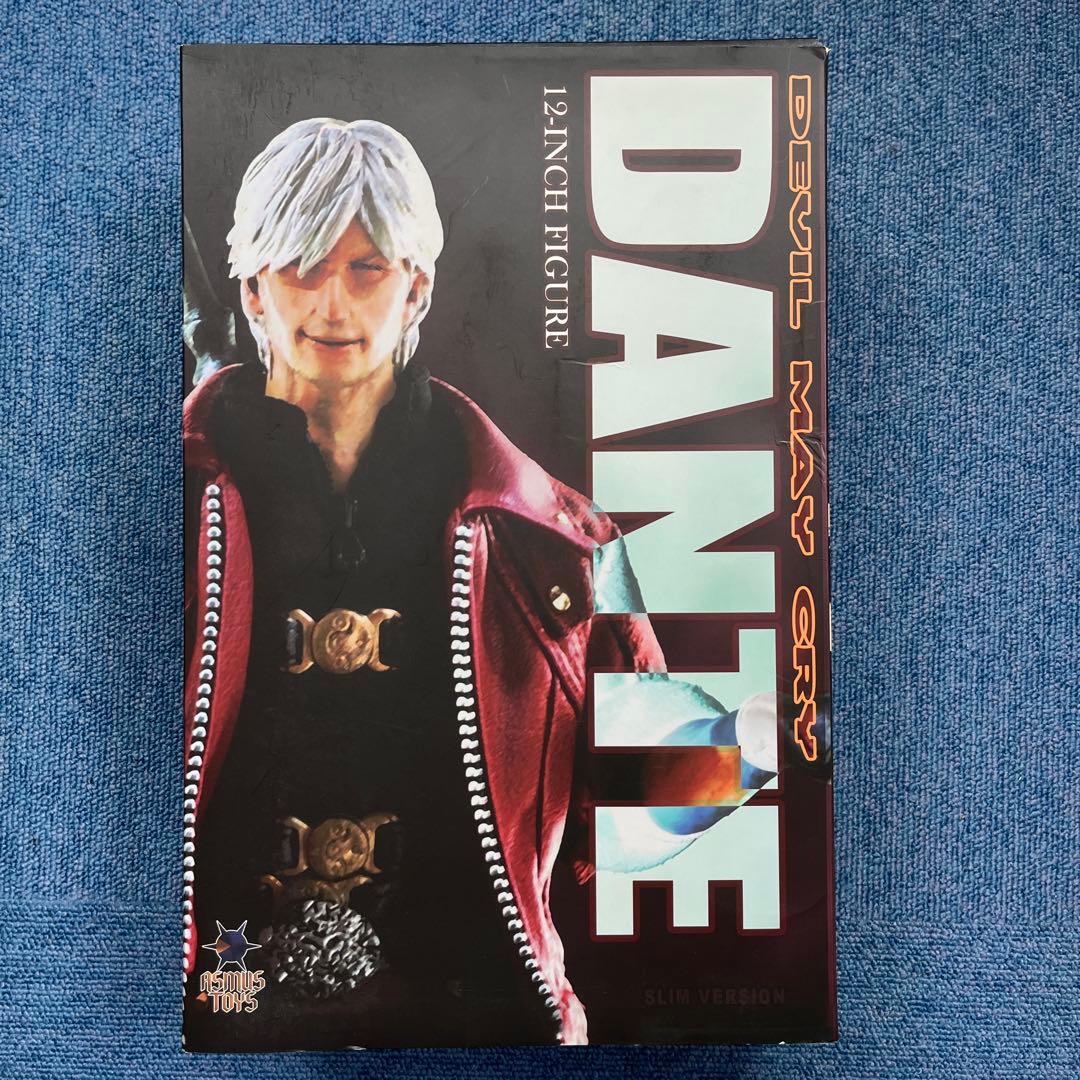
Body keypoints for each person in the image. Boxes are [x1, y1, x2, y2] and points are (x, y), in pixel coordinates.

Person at [181, 117, 776, 1049]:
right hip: (220, 1017)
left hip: (482, 1023)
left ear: (418, 285)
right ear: (253, 286)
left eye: (367, 268)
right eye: (299, 266)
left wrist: (749, 746)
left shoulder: (566, 540)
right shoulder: (157, 512)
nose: (332, 303)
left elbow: (630, 808)